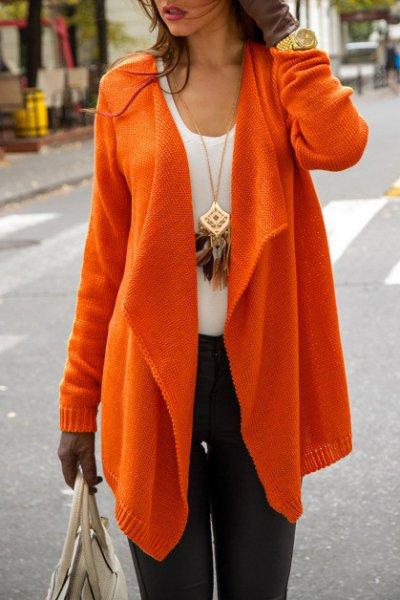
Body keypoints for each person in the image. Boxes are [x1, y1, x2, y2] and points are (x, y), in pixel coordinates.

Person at [57, 0, 369, 597]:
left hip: (262, 375)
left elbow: (341, 145)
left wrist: (282, 28)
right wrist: (77, 408)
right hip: (151, 377)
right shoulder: (126, 89)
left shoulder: (279, 76)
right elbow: (104, 263)